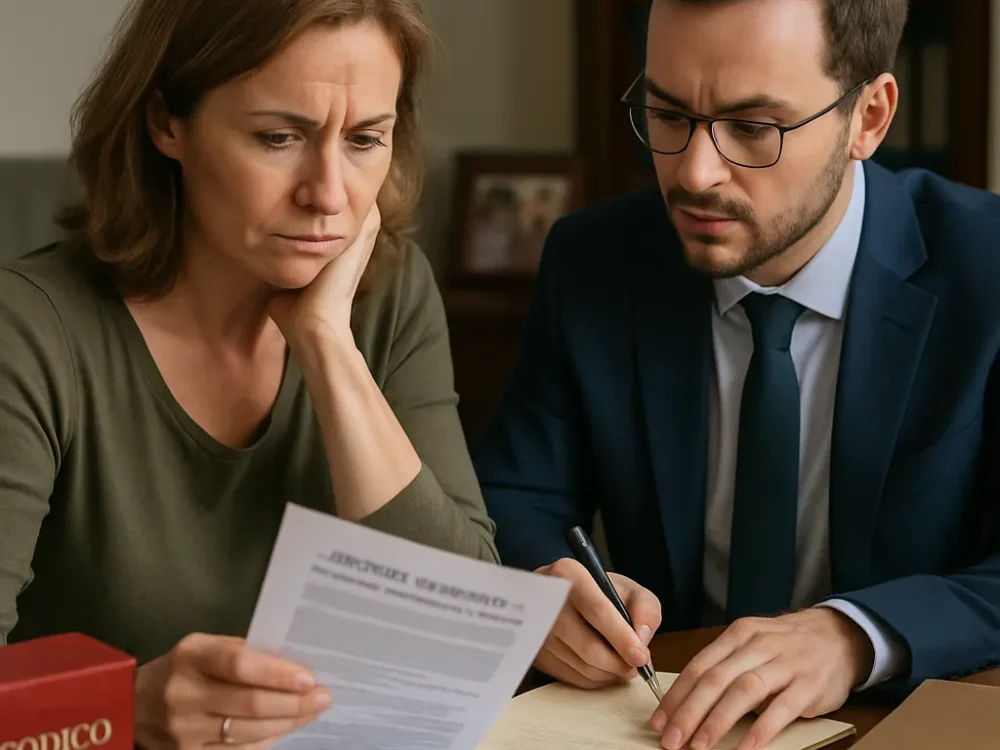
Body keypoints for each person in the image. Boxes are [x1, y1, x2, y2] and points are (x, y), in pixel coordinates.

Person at [473, 0, 1000, 748]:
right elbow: (515, 495)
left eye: (753, 127)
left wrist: (854, 635)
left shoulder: (987, 269)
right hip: (663, 720)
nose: (694, 173)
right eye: (667, 115)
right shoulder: (594, 260)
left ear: (869, 118)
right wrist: (544, 584)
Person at [0, 0, 497, 746]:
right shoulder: (26, 330)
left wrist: (327, 345)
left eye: (365, 140)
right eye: (278, 138)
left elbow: (462, 638)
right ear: (166, 122)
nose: (328, 194)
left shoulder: (391, 293)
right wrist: (123, 708)